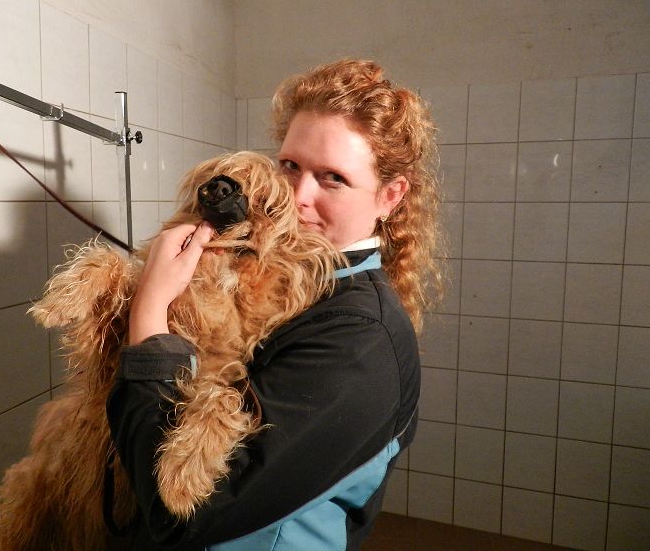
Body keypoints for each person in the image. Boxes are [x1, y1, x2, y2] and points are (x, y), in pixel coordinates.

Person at [106, 58, 443, 550]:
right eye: (290, 166)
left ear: (390, 196)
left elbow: (181, 513)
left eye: (333, 178)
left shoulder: (362, 339)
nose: (297, 196)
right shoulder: (287, 279)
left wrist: (150, 308)